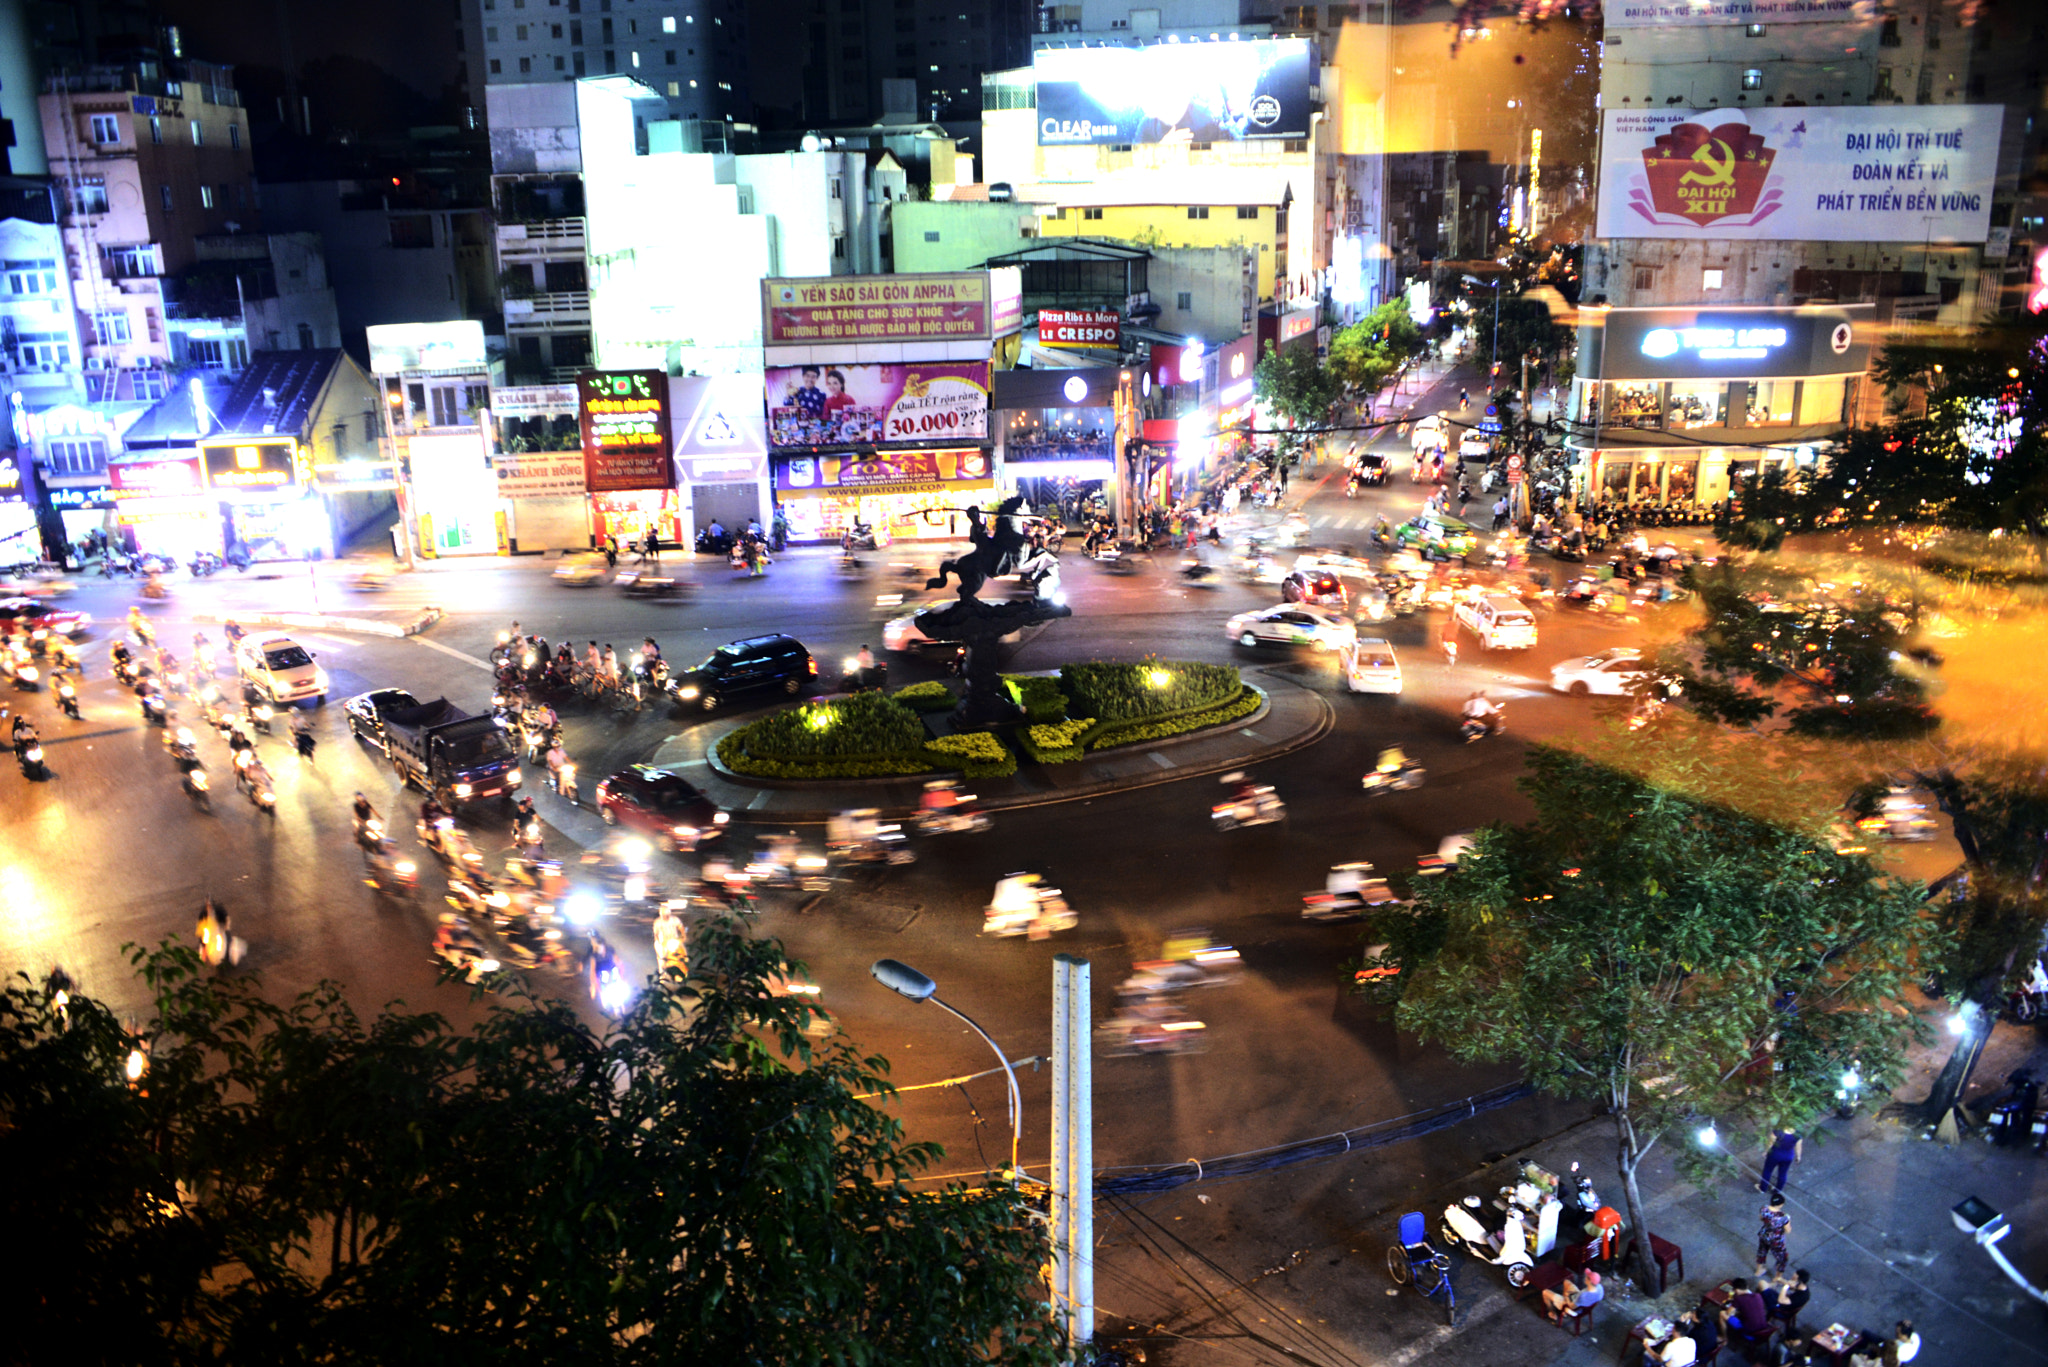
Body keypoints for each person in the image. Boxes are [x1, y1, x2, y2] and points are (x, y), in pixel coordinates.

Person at [1755, 1191, 1792, 1278]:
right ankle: (1778, 1277)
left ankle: (1759, 1270)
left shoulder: (1764, 1209)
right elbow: (1787, 1230)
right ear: (1781, 1204)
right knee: (1782, 1258)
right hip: (1776, 1240)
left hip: (1764, 1235)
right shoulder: (1784, 1217)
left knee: (1762, 1251)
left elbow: (1761, 1218)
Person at [1759, 1125, 1802, 1195]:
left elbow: (1770, 1143)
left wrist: (1766, 1151)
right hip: (1788, 1156)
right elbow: (1798, 1147)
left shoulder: (1778, 1131)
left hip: (1774, 1155)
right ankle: (1778, 1189)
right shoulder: (1798, 1134)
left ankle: (1763, 1188)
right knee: (1783, 1173)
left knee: (1767, 1170)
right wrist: (1798, 1157)